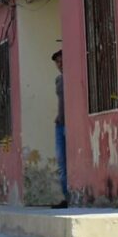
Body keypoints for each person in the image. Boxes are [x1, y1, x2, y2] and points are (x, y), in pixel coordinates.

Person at [51, 48, 70, 208]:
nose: (60, 64)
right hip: (60, 125)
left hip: (71, 124)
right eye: (57, 62)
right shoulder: (58, 80)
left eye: (62, 60)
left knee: (71, 162)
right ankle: (67, 197)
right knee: (62, 162)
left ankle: (74, 196)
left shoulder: (73, 78)